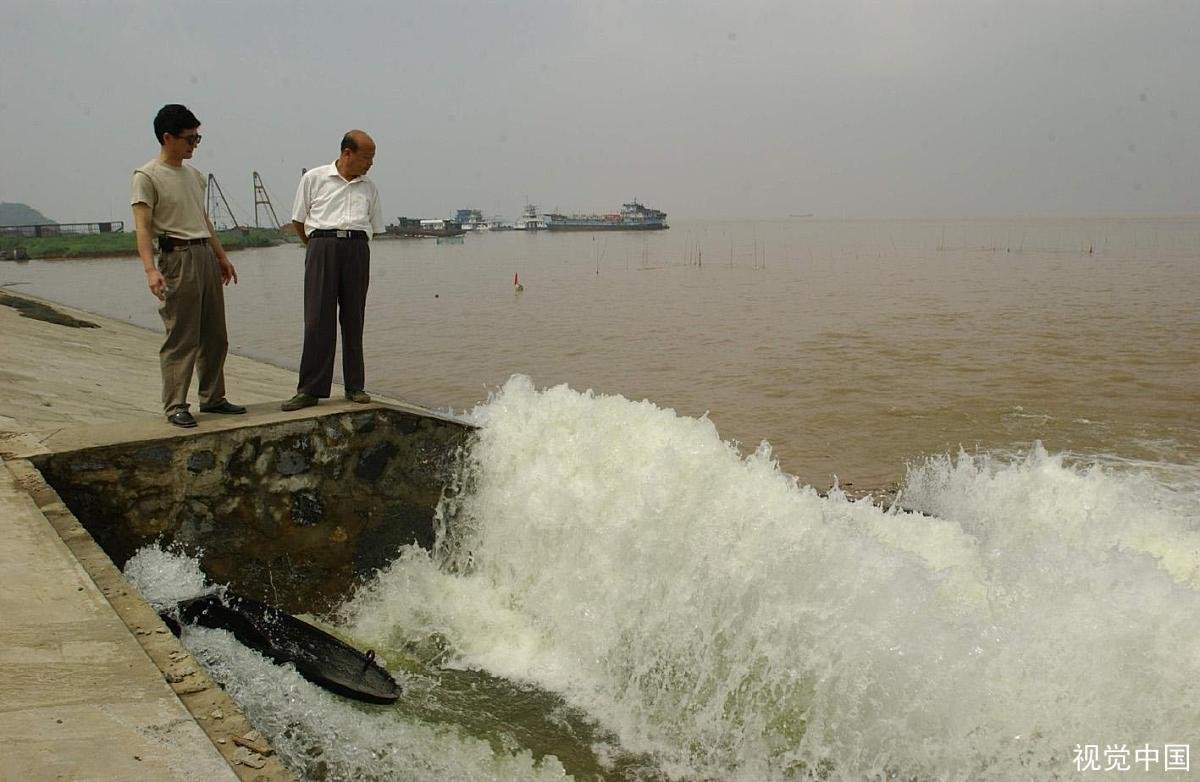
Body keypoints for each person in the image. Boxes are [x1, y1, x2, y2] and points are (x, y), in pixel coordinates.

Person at [131, 104, 244, 428]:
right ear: (168, 138)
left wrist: (221, 256)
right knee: (182, 336)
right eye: (189, 139)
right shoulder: (147, 176)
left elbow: (203, 220)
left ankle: (213, 397)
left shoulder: (194, 176)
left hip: (204, 253)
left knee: (215, 334)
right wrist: (150, 270)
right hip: (177, 257)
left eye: (197, 138)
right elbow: (142, 226)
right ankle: (176, 405)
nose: (194, 145)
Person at [282, 130, 383, 411]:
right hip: (322, 246)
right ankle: (310, 390)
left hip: (357, 249)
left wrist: (352, 246)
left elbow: (375, 227)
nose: (370, 164)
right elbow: (299, 221)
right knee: (317, 319)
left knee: (354, 318)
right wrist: (317, 247)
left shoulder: (369, 188)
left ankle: (355, 386)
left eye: (373, 158)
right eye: (367, 157)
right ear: (347, 153)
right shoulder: (314, 178)